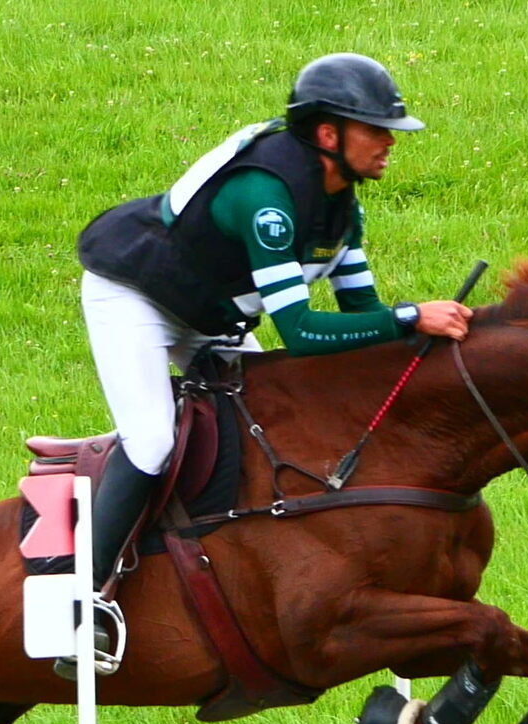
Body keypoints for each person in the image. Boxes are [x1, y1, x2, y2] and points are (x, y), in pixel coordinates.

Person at [67, 53, 471, 668]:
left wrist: (424, 341)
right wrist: (411, 317)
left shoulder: (343, 208)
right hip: (135, 297)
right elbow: (302, 333)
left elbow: (364, 315)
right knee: (151, 439)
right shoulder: (267, 197)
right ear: (328, 135)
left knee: (270, 423)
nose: (390, 142)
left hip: (211, 317)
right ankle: (82, 599)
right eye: (376, 130)